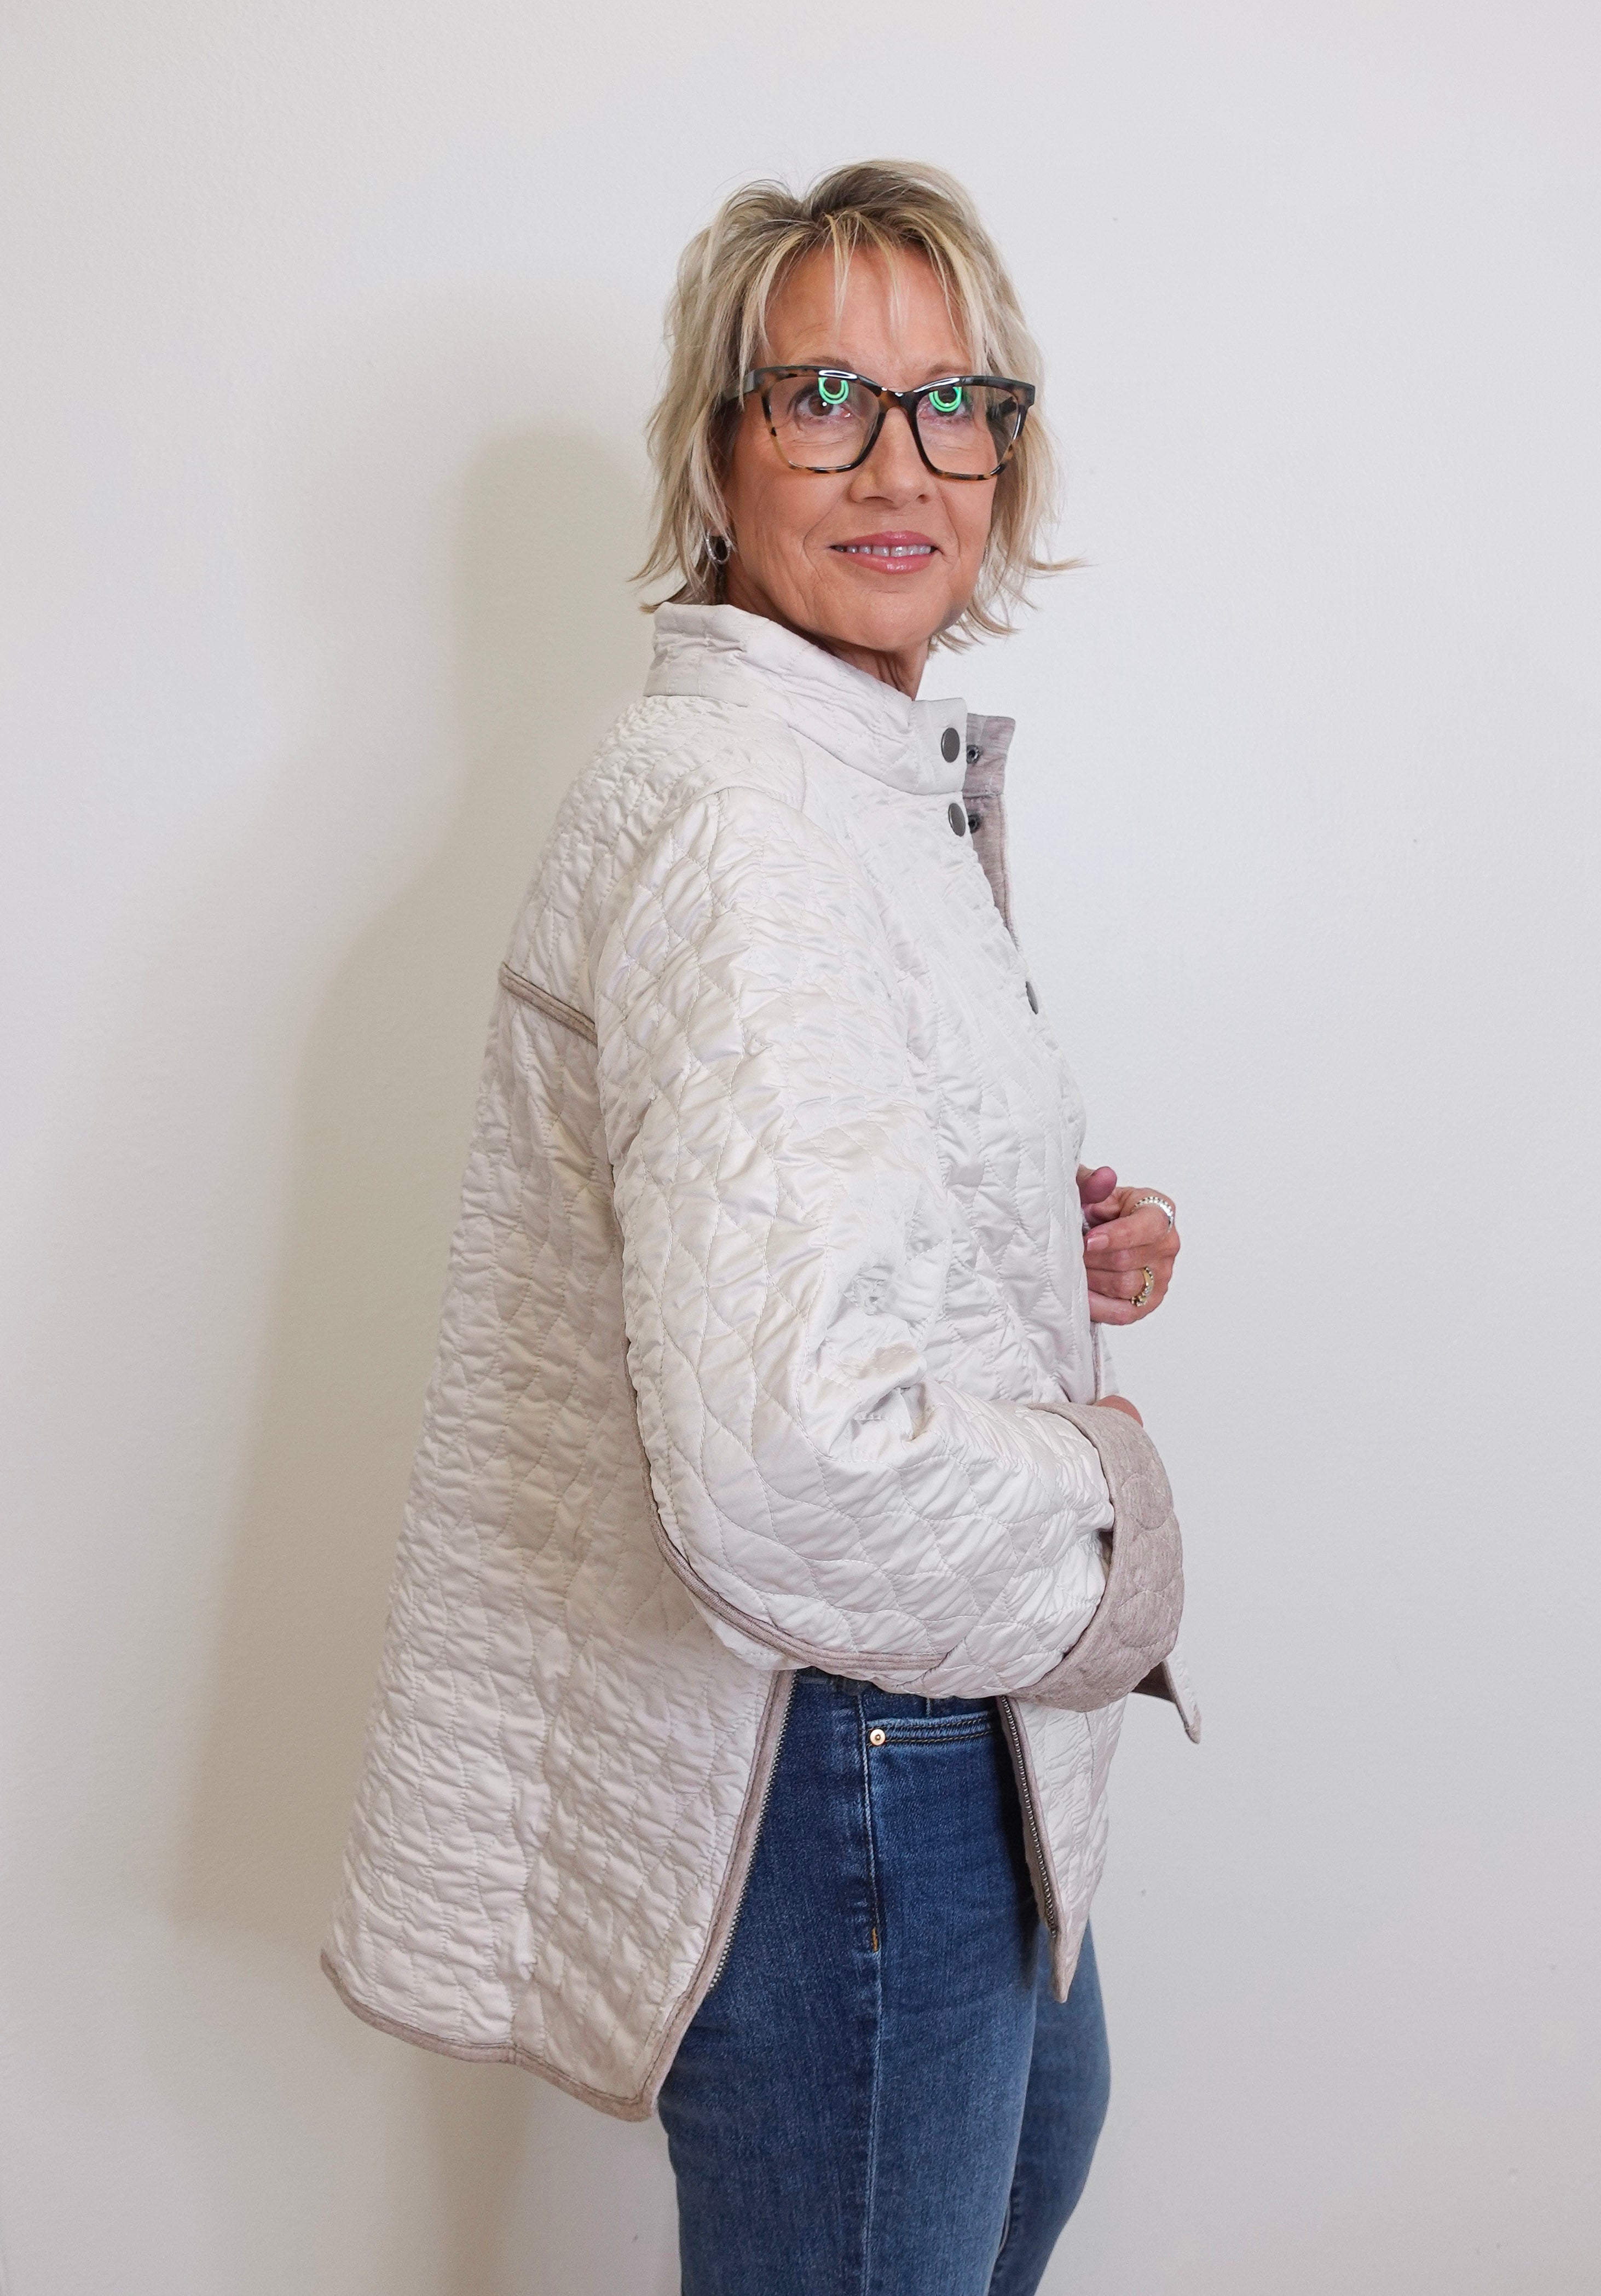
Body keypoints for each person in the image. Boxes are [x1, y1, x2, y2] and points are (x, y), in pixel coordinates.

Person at [323, 159, 1197, 2296]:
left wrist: (1013, 1239)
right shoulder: (745, 821)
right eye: (820, 396)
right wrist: (1113, 1523)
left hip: (907, 1746)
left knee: (1035, 2147)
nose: (897, 464)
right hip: (849, 1762)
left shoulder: (858, 779)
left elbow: (778, 1189)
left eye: (948, 399)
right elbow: (785, 1457)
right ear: (716, 453)